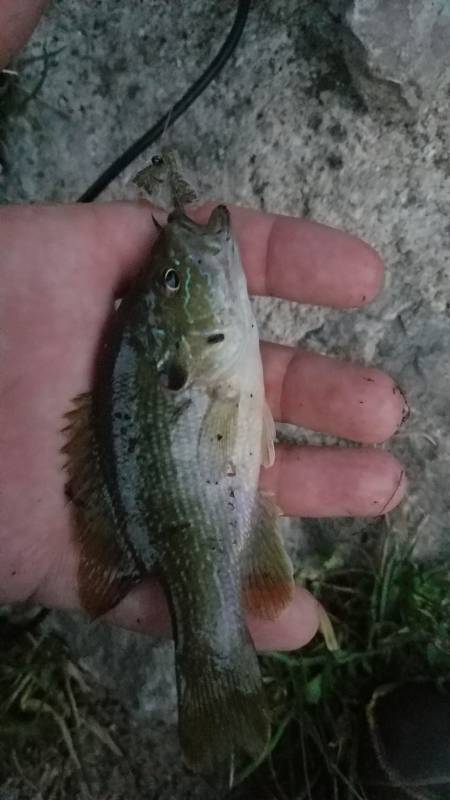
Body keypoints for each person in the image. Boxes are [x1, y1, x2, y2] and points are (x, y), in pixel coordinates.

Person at [0, 1, 407, 652]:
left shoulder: (187, 353)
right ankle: (213, 657)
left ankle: (216, 654)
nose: (177, 268)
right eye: (171, 282)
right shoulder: (174, 358)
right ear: (176, 354)